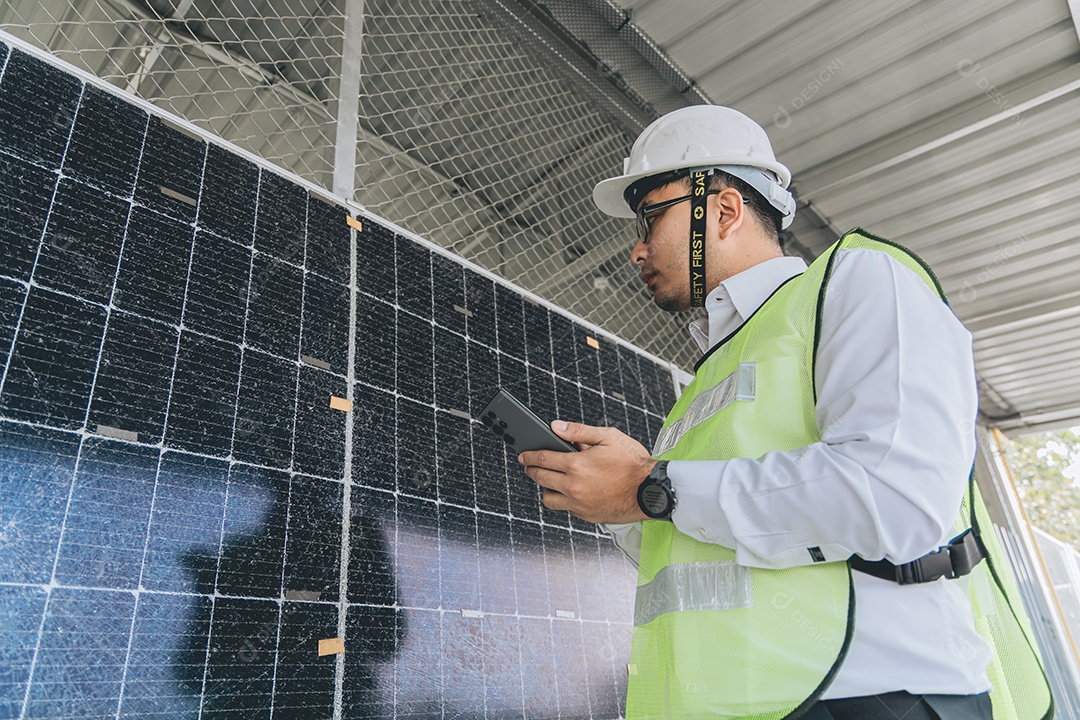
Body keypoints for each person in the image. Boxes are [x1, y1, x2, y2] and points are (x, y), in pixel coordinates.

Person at [517, 105, 1050, 719]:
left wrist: (652, 487)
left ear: (723, 209)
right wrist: (615, 499)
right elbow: (710, 542)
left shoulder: (859, 280)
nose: (636, 252)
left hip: (871, 696)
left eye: (649, 219)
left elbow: (896, 495)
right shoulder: (709, 377)